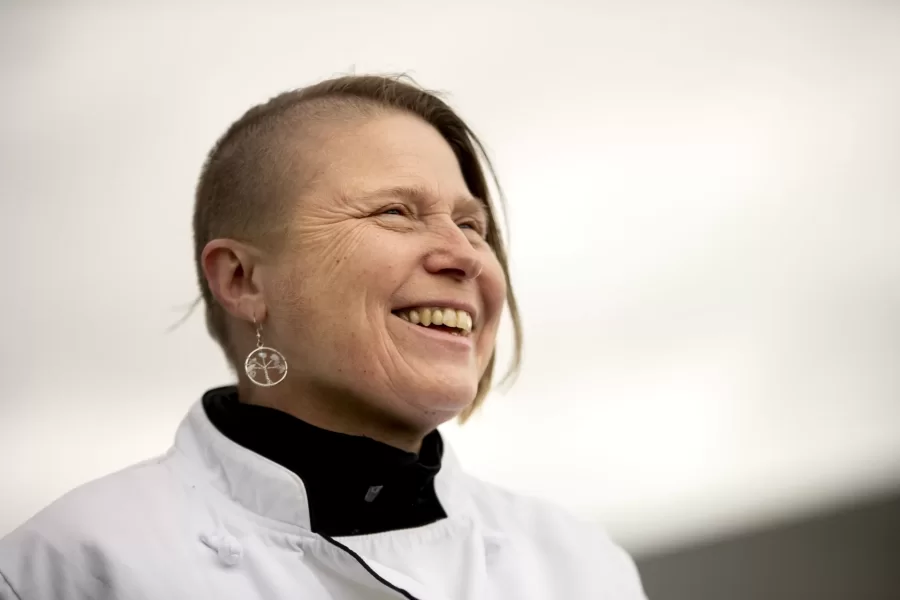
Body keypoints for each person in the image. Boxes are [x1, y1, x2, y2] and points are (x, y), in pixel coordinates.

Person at [0, 75, 646, 599]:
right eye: (396, 212)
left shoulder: (580, 569)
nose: (465, 256)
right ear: (243, 279)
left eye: (473, 225)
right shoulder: (67, 571)